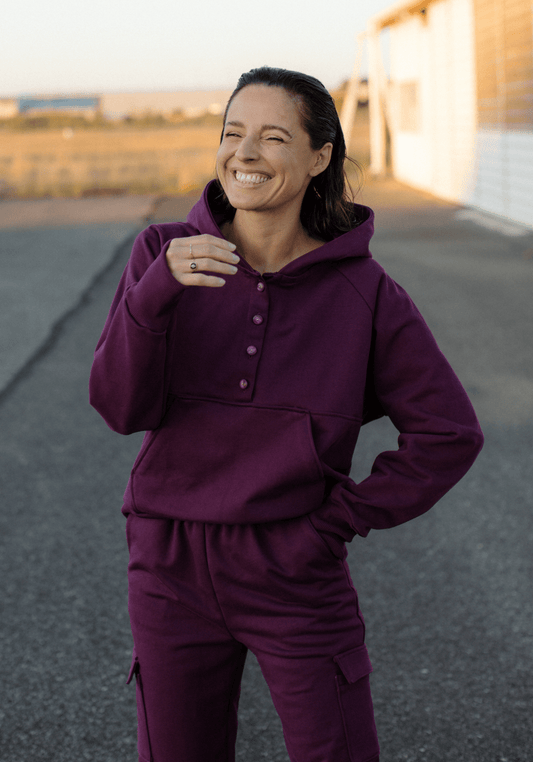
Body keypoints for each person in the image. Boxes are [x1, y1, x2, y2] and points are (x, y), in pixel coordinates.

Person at [89, 66, 483, 762]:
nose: (244, 153)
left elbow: (448, 432)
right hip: (168, 563)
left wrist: (336, 521)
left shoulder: (365, 292)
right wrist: (155, 295)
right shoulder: (161, 255)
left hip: (293, 569)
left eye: (273, 137)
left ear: (319, 157)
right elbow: (119, 409)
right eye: (232, 133)